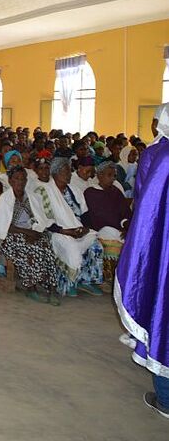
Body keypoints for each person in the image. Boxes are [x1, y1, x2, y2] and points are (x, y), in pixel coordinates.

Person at [115, 105, 169, 417]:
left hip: (164, 245)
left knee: (161, 308)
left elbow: (144, 201)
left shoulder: (158, 155)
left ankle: (165, 399)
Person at [0, 167, 62, 305]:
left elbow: (39, 219)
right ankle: (31, 287)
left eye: (23, 179)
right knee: (29, 249)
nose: (20, 181)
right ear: (10, 181)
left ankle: (52, 288)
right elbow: (5, 226)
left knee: (46, 246)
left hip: (31, 231)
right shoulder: (5, 199)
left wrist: (35, 231)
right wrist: (28, 233)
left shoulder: (31, 197)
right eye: (16, 178)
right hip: (8, 236)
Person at [33, 157, 101, 297]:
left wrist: (86, 228)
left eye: (69, 171)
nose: (69, 175)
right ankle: (69, 282)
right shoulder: (44, 191)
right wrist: (65, 231)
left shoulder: (75, 190)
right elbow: (44, 220)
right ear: (55, 173)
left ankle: (85, 280)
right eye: (66, 172)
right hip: (57, 231)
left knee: (95, 245)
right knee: (71, 248)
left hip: (77, 229)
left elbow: (85, 213)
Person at [84, 161, 131, 292]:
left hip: (118, 228)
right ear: (99, 175)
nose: (113, 179)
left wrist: (126, 226)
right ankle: (109, 277)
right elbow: (97, 216)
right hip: (100, 228)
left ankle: (123, 277)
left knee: (130, 238)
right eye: (109, 175)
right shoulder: (91, 192)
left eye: (114, 175)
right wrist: (119, 227)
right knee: (111, 233)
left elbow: (124, 212)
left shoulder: (115, 191)